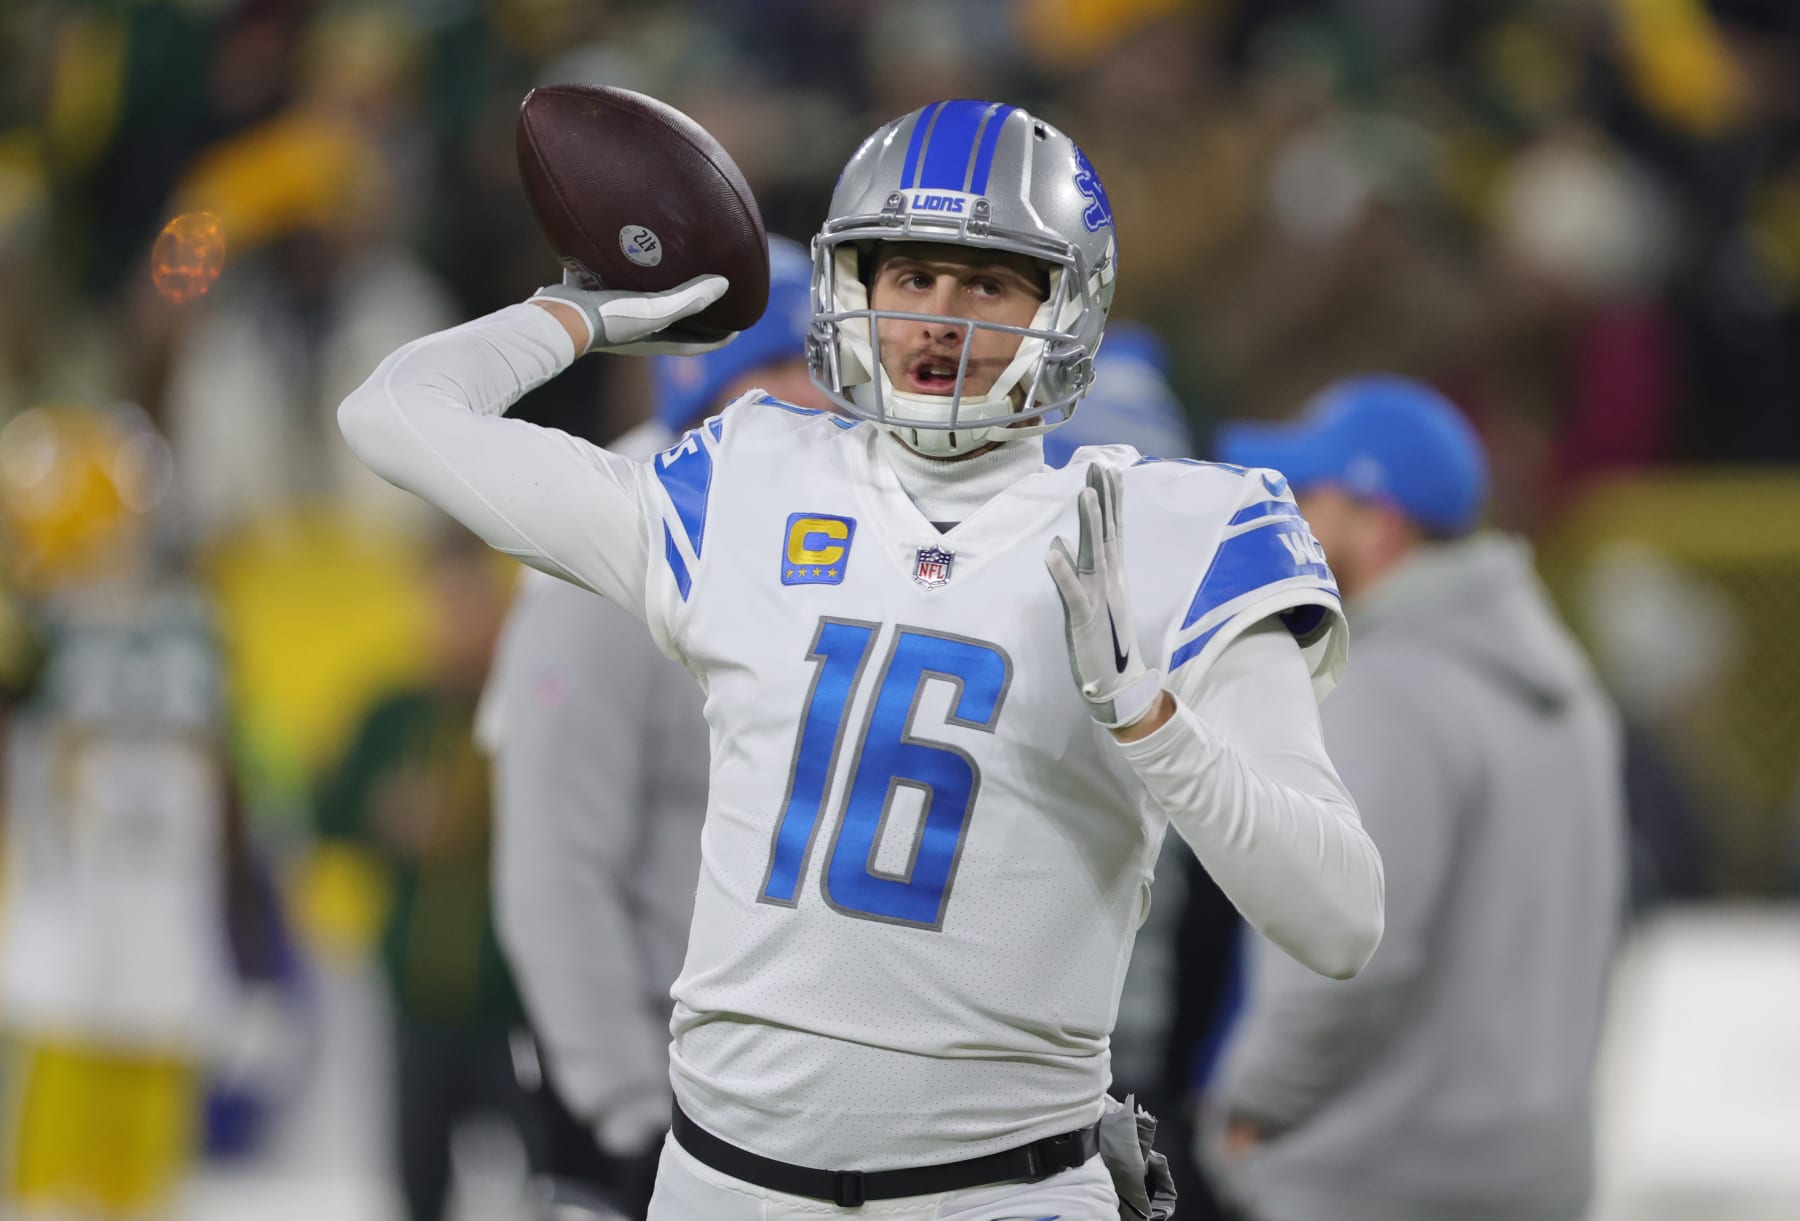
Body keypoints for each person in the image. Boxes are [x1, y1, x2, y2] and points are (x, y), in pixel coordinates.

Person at [339, 97, 1385, 1221]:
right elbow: (392, 414)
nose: (939, 318)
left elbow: (1340, 917)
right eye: (910, 276)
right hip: (720, 1186)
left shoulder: (1167, 528)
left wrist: (1152, 722)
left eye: (987, 282)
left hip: (1005, 1195)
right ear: (855, 291)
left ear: (1065, 305)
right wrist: (577, 314)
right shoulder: (747, 478)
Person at [1206, 375, 1627, 1221]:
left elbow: (1346, 953)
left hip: (1377, 1179)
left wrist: (1248, 1104)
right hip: (1534, 1175)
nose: (1291, 529)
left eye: (1310, 500)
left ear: (1381, 525)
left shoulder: (1393, 685)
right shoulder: (1564, 681)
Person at [479, 236, 832, 1220]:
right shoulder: (613, 549)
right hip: (658, 1108)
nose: (819, 394)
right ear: (706, 385)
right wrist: (632, 1115)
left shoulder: (842, 545)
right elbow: (553, 870)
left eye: (826, 362)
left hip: (799, 1113)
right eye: (778, 364)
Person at [0, 405, 238, 1220]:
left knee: (93, 1192)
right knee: (86, 1191)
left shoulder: (52, 628)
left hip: (121, 921)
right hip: (104, 925)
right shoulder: (181, 620)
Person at [317, 528, 543, 1221]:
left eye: (467, 600)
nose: (453, 619)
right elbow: (326, 810)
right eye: (441, 602)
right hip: (417, 1002)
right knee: (417, 1178)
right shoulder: (394, 712)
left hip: (516, 1002)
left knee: (546, 1172)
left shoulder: (530, 706)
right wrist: (385, 812)